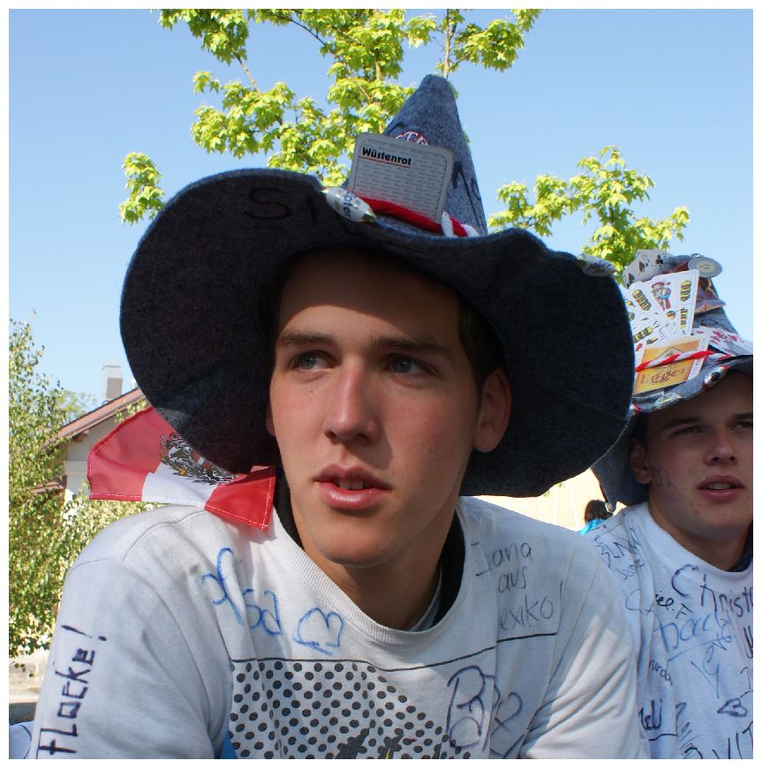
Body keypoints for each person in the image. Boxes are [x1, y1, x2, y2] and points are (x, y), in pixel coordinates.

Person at [28, 75, 644, 758]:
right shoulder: (153, 591)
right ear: (268, 399)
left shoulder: (565, 598)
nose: (346, 418)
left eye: (405, 365)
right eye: (310, 360)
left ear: (488, 408)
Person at [589, 253, 753, 759]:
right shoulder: (589, 590)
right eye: (690, 429)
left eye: (745, 425)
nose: (723, 449)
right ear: (640, 460)